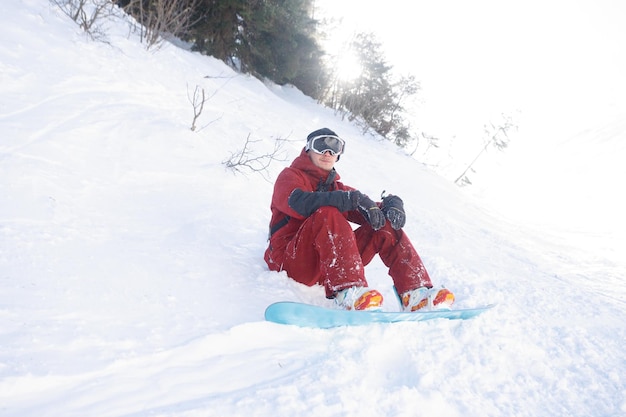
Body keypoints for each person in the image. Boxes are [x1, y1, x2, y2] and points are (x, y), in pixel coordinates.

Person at [264, 128, 454, 311]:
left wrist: (389, 206)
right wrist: (346, 199)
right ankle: (348, 291)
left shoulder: (336, 189)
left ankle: (415, 293)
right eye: (321, 145)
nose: (328, 152)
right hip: (291, 263)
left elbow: (364, 207)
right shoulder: (290, 176)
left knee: (382, 223)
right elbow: (299, 203)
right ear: (307, 149)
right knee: (327, 212)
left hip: (327, 268)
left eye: (335, 148)